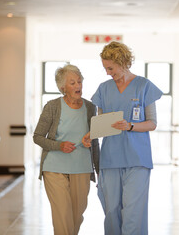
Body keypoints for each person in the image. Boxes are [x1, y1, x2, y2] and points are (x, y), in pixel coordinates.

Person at [83, 41, 163, 235]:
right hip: (110, 159)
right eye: (105, 68)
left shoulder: (144, 86)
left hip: (138, 159)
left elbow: (152, 123)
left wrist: (130, 126)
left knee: (133, 212)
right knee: (111, 212)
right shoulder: (104, 89)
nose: (108, 72)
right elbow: (101, 123)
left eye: (110, 68)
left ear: (123, 62)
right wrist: (90, 134)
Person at [33, 64, 99, 235]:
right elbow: (38, 136)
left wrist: (99, 171)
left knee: (76, 216)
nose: (78, 86)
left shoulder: (90, 108)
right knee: (62, 215)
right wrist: (59, 145)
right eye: (72, 83)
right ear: (63, 87)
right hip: (54, 168)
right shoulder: (52, 107)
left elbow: (95, 140)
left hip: (82, 168)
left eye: (79, 82)